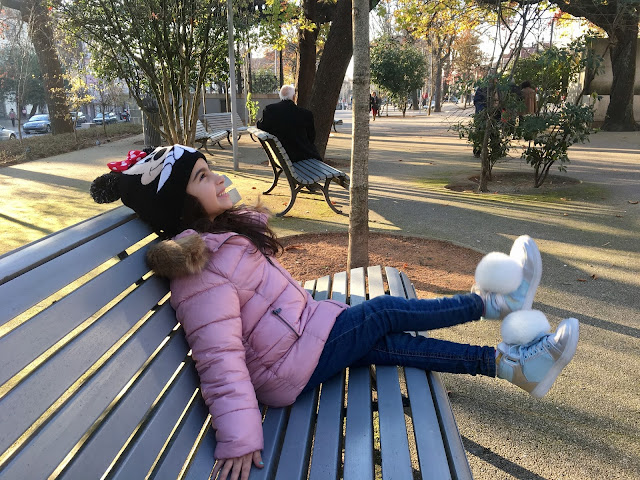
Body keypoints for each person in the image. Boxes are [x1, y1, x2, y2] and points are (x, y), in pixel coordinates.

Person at [90, 145, 580, 480]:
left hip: (303, 339)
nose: (218, 177)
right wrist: (239, 437)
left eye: (210, 168)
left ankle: (509, 366)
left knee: (390, 343)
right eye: (202, 176)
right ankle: (494, 304)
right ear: (179, 205)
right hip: (289, 366)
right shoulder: (199, 272)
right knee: (383, 312)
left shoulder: (220, 240)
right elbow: (218, 358)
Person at [256, 84, 321, 163]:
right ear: (294, 97)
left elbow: (261, 126)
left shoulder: (270, 110)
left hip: (281, 157)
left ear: (280, 96)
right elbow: (311, 137)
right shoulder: (306, 114)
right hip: (303, 157)